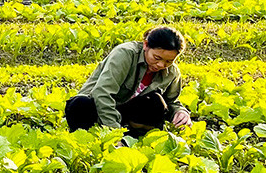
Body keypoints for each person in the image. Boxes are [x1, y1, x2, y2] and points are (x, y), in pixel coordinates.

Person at [64, 26, 193, 137]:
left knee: (155, 102)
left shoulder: (171, 72)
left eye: (169, 61)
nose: (161, 64)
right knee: (80, 104)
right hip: (97, 108)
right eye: (157, 58)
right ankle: (98, 138)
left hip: (125, 113)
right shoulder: (125, 54)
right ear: (146, 45)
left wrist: (180, 112)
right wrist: (114, 133)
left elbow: (171, 101)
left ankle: (134, 137)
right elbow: (102, 93)